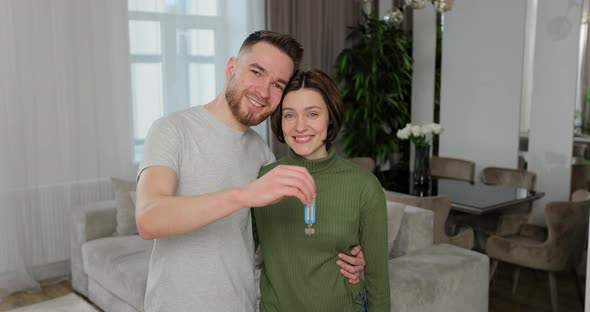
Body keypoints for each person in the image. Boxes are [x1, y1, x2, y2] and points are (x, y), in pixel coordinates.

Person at [135, 31, 365, 312]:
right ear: (231, 67)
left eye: (277, 85)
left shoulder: (262, 155)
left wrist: (348, 255)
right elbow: (149, 219)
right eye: (256, 72)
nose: (264, 91)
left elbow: (285, 238)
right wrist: (244, 195)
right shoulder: (172, 130)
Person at [253, 69, 390, 311]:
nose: (300, 126)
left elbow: (379, 280)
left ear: (330, 119)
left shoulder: (364, 186)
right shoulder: (264, 180)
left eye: (313, 114)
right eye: (289, 115)